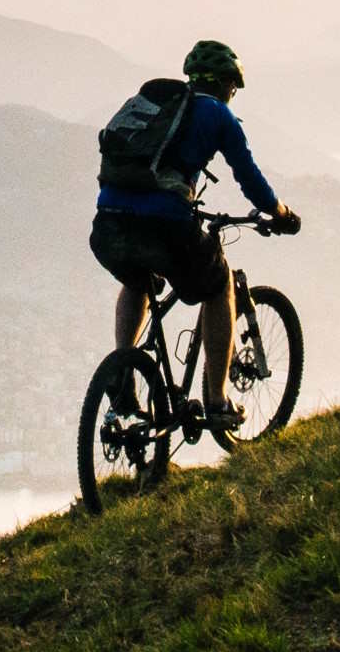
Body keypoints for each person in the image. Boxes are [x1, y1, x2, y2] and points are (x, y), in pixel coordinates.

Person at [90, 38, 301, 432]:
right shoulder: (216, 115)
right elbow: (251, 181)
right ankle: (218, 402)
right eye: (233, 89)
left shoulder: (161, 107)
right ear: (226, 85)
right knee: (219, 286)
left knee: (136, 279)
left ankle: (122, 374)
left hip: (108, 223)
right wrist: (281, 213)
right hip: (165, 223)